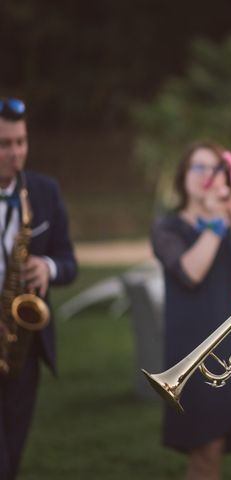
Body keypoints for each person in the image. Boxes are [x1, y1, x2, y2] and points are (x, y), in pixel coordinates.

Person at [150, 141, 231, 480]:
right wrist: (214, 222)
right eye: (199, 167)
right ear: (183, 178)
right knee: (205, 454)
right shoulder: (167, 228)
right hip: (192, 349)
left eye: (216, 168)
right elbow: (190, 272)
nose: (208, 176)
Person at [0, 98, 77, 480]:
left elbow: (69, 262)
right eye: (4, 144)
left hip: (22, 349)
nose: (16, 153)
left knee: (12, 453)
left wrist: (47, 268)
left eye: (21, 141)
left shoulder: (44, 191)